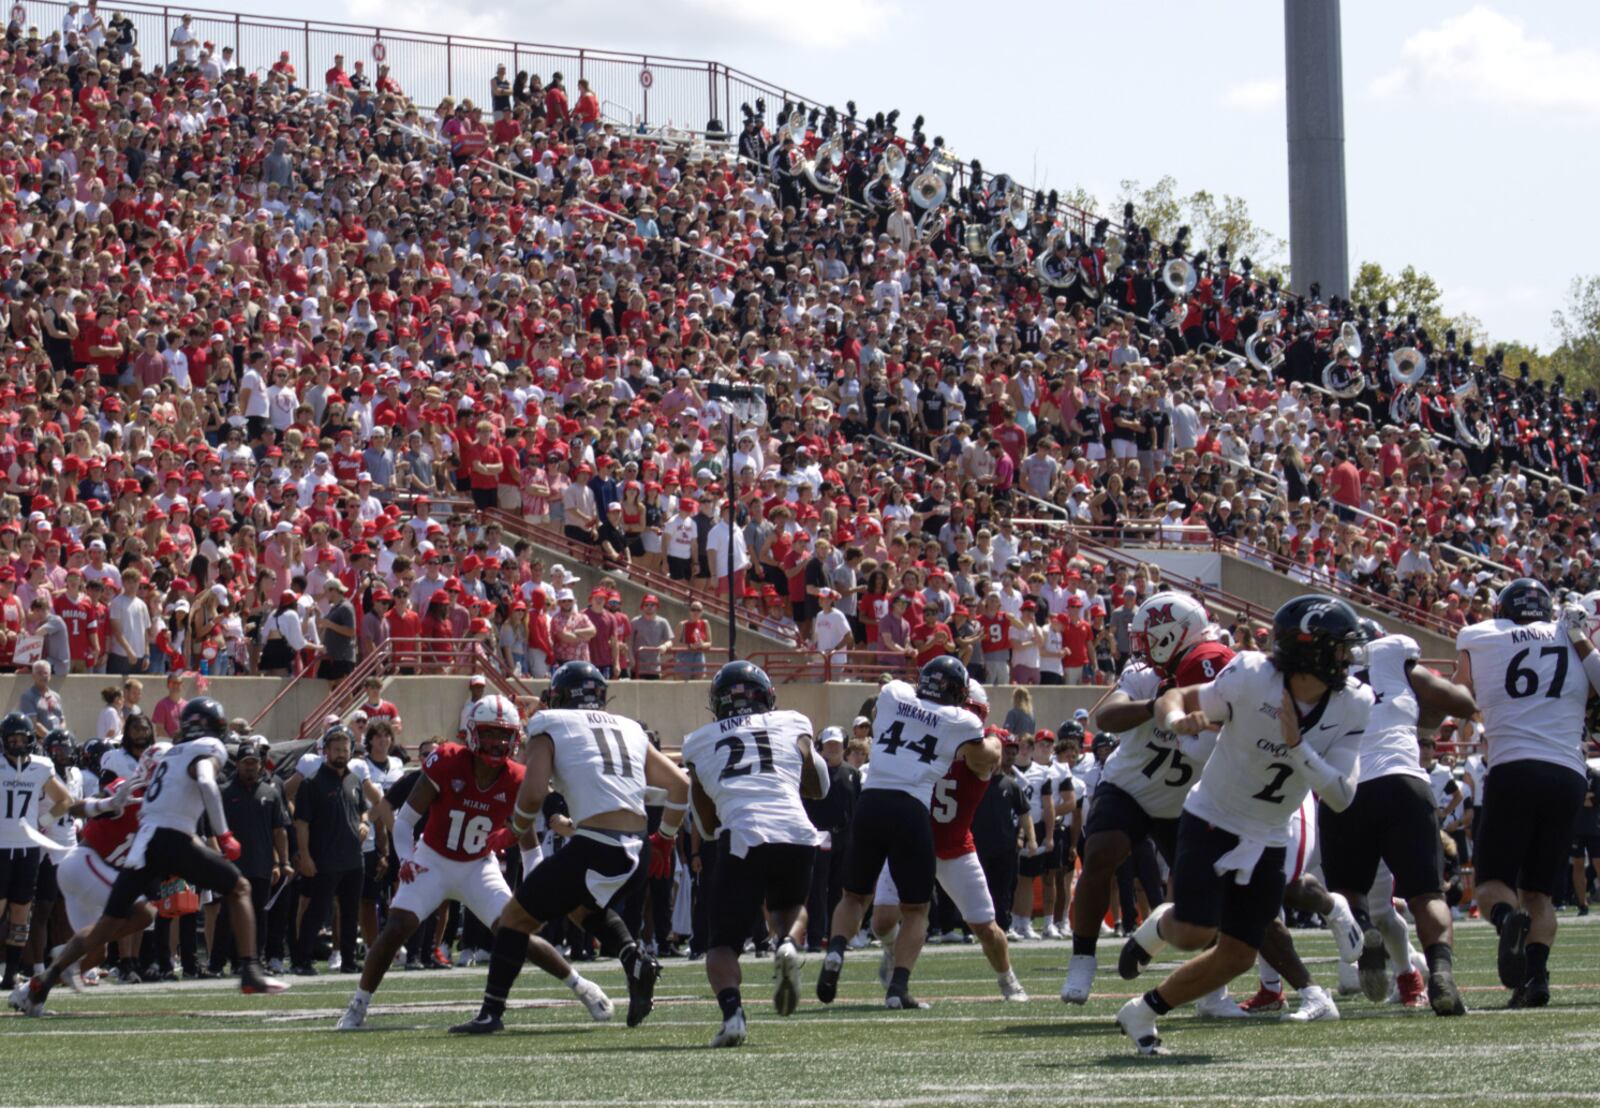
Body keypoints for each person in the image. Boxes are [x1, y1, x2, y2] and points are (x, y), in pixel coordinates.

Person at [1114, 596, 1373, 1055]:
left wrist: (1297, 748)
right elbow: (1176, 697)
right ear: (1307, 650)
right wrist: (1177, 719)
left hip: (1271, 832)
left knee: (1238, 955)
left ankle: (1143, 1010)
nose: (1347, 658)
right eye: (1337, 647)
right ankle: (1158, 929)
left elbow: (1340, 795)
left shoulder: (1354, 701)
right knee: (1194, 931)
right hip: (1213, 816)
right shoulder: (1253, 676)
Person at [337, 694, 612, 1030]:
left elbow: (529, 844)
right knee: (397, 926)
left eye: (503, 734)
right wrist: (407, 858)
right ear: (471, 732)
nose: (497, 742)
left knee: (515, 930)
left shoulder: (517, 777)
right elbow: (406, 820)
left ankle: (583, 987)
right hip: (433, 859)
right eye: (490, 732)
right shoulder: (447, 760)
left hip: (478, 866)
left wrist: (536, 890)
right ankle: (358, 1005)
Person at [450, 661, 689, 1034]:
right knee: (579, 907)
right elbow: (679, 787)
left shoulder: (550, 723)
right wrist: (667, 839)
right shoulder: (630, 727)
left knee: (513, 919)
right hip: (636, 848)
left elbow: (531, 793)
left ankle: (490, 1012)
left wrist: (513, 829)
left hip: (595, 846)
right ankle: (634, 959)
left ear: (559, 695)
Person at [13, 698, 288, 1014]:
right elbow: (206, 781)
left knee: (111, 926)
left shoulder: (167, 758)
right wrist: (224, 834)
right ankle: (251, 969)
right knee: (239, 888)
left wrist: (105, 804)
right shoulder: (206, 748)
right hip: (168, 838)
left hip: (145, 845)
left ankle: (43, 981)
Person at [1063, 591, 1234, 1007]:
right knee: (1101, 851)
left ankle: (1211, 984)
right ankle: (1082, 957)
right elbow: (1108, 717)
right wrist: (1159, 706)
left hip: (1190, 800)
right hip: (1132, 787)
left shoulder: (1220, 674)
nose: (1140, 646)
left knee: (1209, 892)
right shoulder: (1144, 675)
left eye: (1147, 636)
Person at [815, 656, 998, 1010]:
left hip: (871, 802)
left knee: (853, 897)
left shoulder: (895, 694)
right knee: (915, 911)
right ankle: (898, 988)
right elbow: (985, 750)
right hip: (911, 808)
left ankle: (836, 950)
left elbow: (901, 692)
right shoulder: (960, 719)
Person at [1454, 578, 1600, 1008]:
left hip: (1513, 767)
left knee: (1491, 885)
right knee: (1540, 893)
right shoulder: (1570, 637)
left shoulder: (1477, 635)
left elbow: (1461, 693)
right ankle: (1535, 980)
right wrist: (1579, 640)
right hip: (1568, 775)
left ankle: (1506, 919)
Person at [1317, 622, 1476, 1016]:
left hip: (1344, 788)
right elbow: (1459, 702)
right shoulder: (1393, 654)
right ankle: (1440, 972)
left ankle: (1366, 933)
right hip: (1403, 781)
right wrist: (1422, 709)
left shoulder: (1317, 669)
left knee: (1349, 894)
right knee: (1427, 895)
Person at [680, 661, 826, 1046]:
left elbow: (707, 824)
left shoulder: (698, 741)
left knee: (722, 944)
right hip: (796, 830)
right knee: (789, 908)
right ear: (767, 697)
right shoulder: (793, 722)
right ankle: (790, 946)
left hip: (742, 834)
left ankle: (733, 1017)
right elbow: (817, 785)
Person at [870, 679, 1027, 1002]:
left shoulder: (985, 745)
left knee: (986, 928)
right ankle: (892, 951)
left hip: (955, 848)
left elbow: (989, 753)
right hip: (911, 841)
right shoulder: (923, 732)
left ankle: (1007, 979)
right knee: (882, 921)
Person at [0, 714, 73, 990]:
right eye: (12, 739)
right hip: (1, 846)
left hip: (28, 848)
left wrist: (42, 822)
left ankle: (11, 974)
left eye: (22, 738)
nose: (18, 744)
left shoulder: (41, 766)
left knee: (21, 911)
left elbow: (66, 800)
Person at [291, 726, 371, 975]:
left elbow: (363, 809)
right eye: (336, 749)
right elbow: (301, 823)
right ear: (326, 751)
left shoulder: (354, 780)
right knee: (316, 911)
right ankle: (301, 960)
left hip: (353, 859)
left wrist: (365, 822)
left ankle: (348, 960)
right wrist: (305, 856)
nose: (341, 754)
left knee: (350, 913)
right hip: (324, 858)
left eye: (345, 749)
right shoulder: (312, 783)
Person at [208, 737, 290, 976]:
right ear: (238, 764)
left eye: (254, 762)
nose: (250, 767)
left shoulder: (270, 792)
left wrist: (281, 861)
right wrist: (216, 859)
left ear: (260, 764)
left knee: (258, 915)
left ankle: (252, 961)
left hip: (262, 864)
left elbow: (279, 830)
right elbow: (212, 829)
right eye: (246, 762)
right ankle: (216, 964)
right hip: (231, 865)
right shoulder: (223, 793)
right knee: (226, 916)